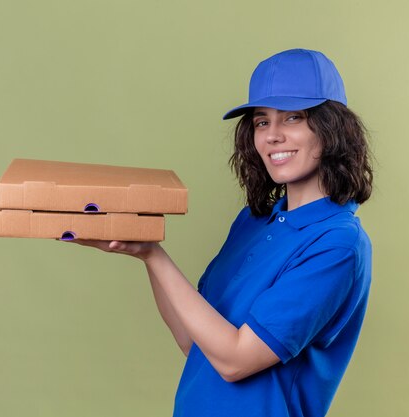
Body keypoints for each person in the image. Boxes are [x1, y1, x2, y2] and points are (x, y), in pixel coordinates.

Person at [66, 48, 373, 417]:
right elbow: (193, 342)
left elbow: (236, 361)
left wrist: (155, 255)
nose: (272, 136)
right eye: (262, 121)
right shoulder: (254, 221)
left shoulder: (337, 244)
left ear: (331, 129)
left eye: (293, 117)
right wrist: (143, 252)